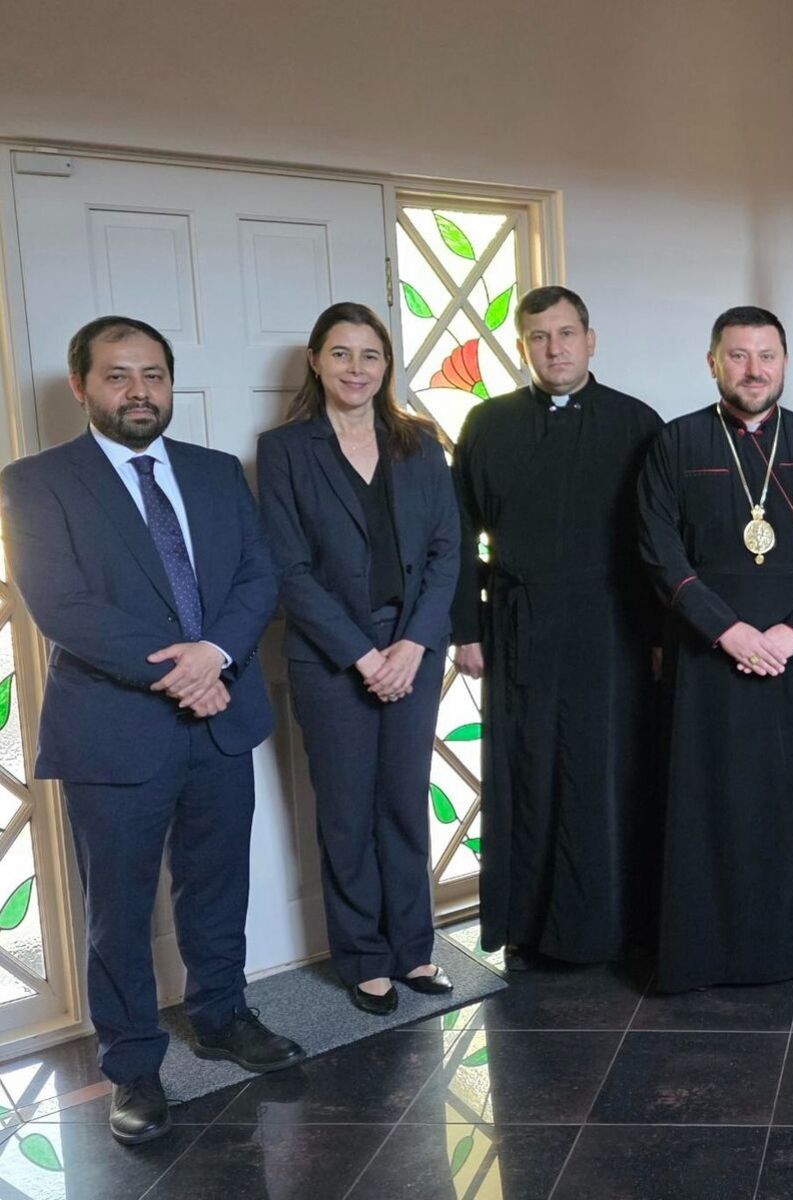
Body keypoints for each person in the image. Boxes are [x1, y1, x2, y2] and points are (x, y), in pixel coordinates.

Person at [0, 317, 302, 1146]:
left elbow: (256, 575)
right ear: (81, 387)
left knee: (216, 887)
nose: (139, 391)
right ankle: (132, 1063)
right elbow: (62, 605)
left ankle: (220, 1015)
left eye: (154, 376)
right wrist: (186, 674)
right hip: (114, 731)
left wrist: (216, 655)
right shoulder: (36, 482)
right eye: (118, 376)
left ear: (171, 383)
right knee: (118, 913)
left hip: (219, 724)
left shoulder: (212, 474)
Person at [637, 306, 793, 992]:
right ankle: (706, 956)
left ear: (785, 363)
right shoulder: (675, 444)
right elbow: (659, 550)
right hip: (710, 659)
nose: (754, 369)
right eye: (737, 355)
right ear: (712, 363)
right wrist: (727, 630)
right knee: (713, 807)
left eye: (766, 355)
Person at [451, 285, 664, 969]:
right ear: (523, 348)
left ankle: (618, 923)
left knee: (611, 772)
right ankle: (532, 924)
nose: (555, 348)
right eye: (540, 337)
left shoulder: (638, 423)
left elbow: (660, 541)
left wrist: (662, 637)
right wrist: (468, 631)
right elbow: (461, 538)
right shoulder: (488, 423)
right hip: (522, 624)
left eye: (567, 333)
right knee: (531, 770)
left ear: (590, 340)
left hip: (615, 628)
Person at [257, 303, 460, 1014]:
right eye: (340, 354)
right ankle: (364, 958)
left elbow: (446, 550)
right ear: (315, 360)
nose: (355, 368)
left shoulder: (419, 442)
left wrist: (411, 644)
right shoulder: (284, 450)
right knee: (345, 811)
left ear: (386, 366)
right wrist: (361, 655)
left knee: (403, 805)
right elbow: (286, 568)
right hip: (332, 657)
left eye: (369, 355)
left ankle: (414, 949)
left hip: (414, 648)